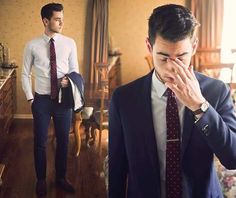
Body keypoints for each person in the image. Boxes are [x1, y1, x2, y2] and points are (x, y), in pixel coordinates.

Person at [109, 4, 236, 198]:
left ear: (193, 47)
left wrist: (199, 106)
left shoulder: (217, 91)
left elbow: (233, 158)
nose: (172, 68)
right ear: (149, 46)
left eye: (181, 57)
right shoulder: (123, 99)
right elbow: (117, 166)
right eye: (164, 57)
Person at [22, 3, 79, 196]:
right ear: (46, 21)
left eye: (62, 18)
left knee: (63, 141)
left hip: (63, 101)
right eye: (57, 19)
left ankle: (61, 177)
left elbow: (75, 71)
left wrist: (68, 81)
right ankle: (41, 180)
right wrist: (31, 100)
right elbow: (24, 74)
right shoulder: (32, 45)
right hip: (42, 102)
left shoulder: (70, 43)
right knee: (40, 142)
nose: (62, 22)